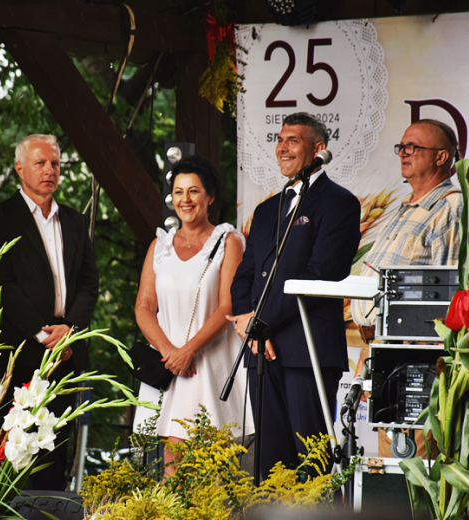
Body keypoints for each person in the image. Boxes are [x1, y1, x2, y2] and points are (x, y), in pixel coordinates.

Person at [227, 113, 361, 480]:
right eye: (280, 139)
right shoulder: (268, 209)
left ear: (319, 149)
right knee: (270, 459)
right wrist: (245, 320)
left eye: (293, 140)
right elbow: (246, 276)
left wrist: (261, 323)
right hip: (261, 350)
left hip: (308, 349)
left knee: (310, 458)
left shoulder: (339, 203)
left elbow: (322, 273)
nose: (283, 148)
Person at [0, 134, 98, 490]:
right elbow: (0, 284)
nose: (50, 170)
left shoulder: (75, 221)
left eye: (56, 164)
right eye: (40, 163)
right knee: (11, 453)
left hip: (67, 351)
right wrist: (46, 335)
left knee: (55, 452)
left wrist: (70, 329)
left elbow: (90, 283)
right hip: (19, 351)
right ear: (19, 168)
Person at [133, 155, 254, 478]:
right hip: (171, 365)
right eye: (178, 191)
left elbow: (227, 305)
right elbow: (144, 306)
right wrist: (171, 353)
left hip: (209, 364)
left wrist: (189, 351)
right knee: (173, 462)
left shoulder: (229, 241)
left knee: (215, 471)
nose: (185, 199)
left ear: (210, 197)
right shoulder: (159, 245)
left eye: (194, 191)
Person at [350, 119, 462, 457]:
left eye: (414, 147)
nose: (404, 153)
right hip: (383, 354)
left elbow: (450, 295)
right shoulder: (405, 206)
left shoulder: (450, 208)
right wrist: (368, 355)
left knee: (417, 465)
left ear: (442, 156)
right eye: (401, 147)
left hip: (419, 364)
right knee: (392, 468)